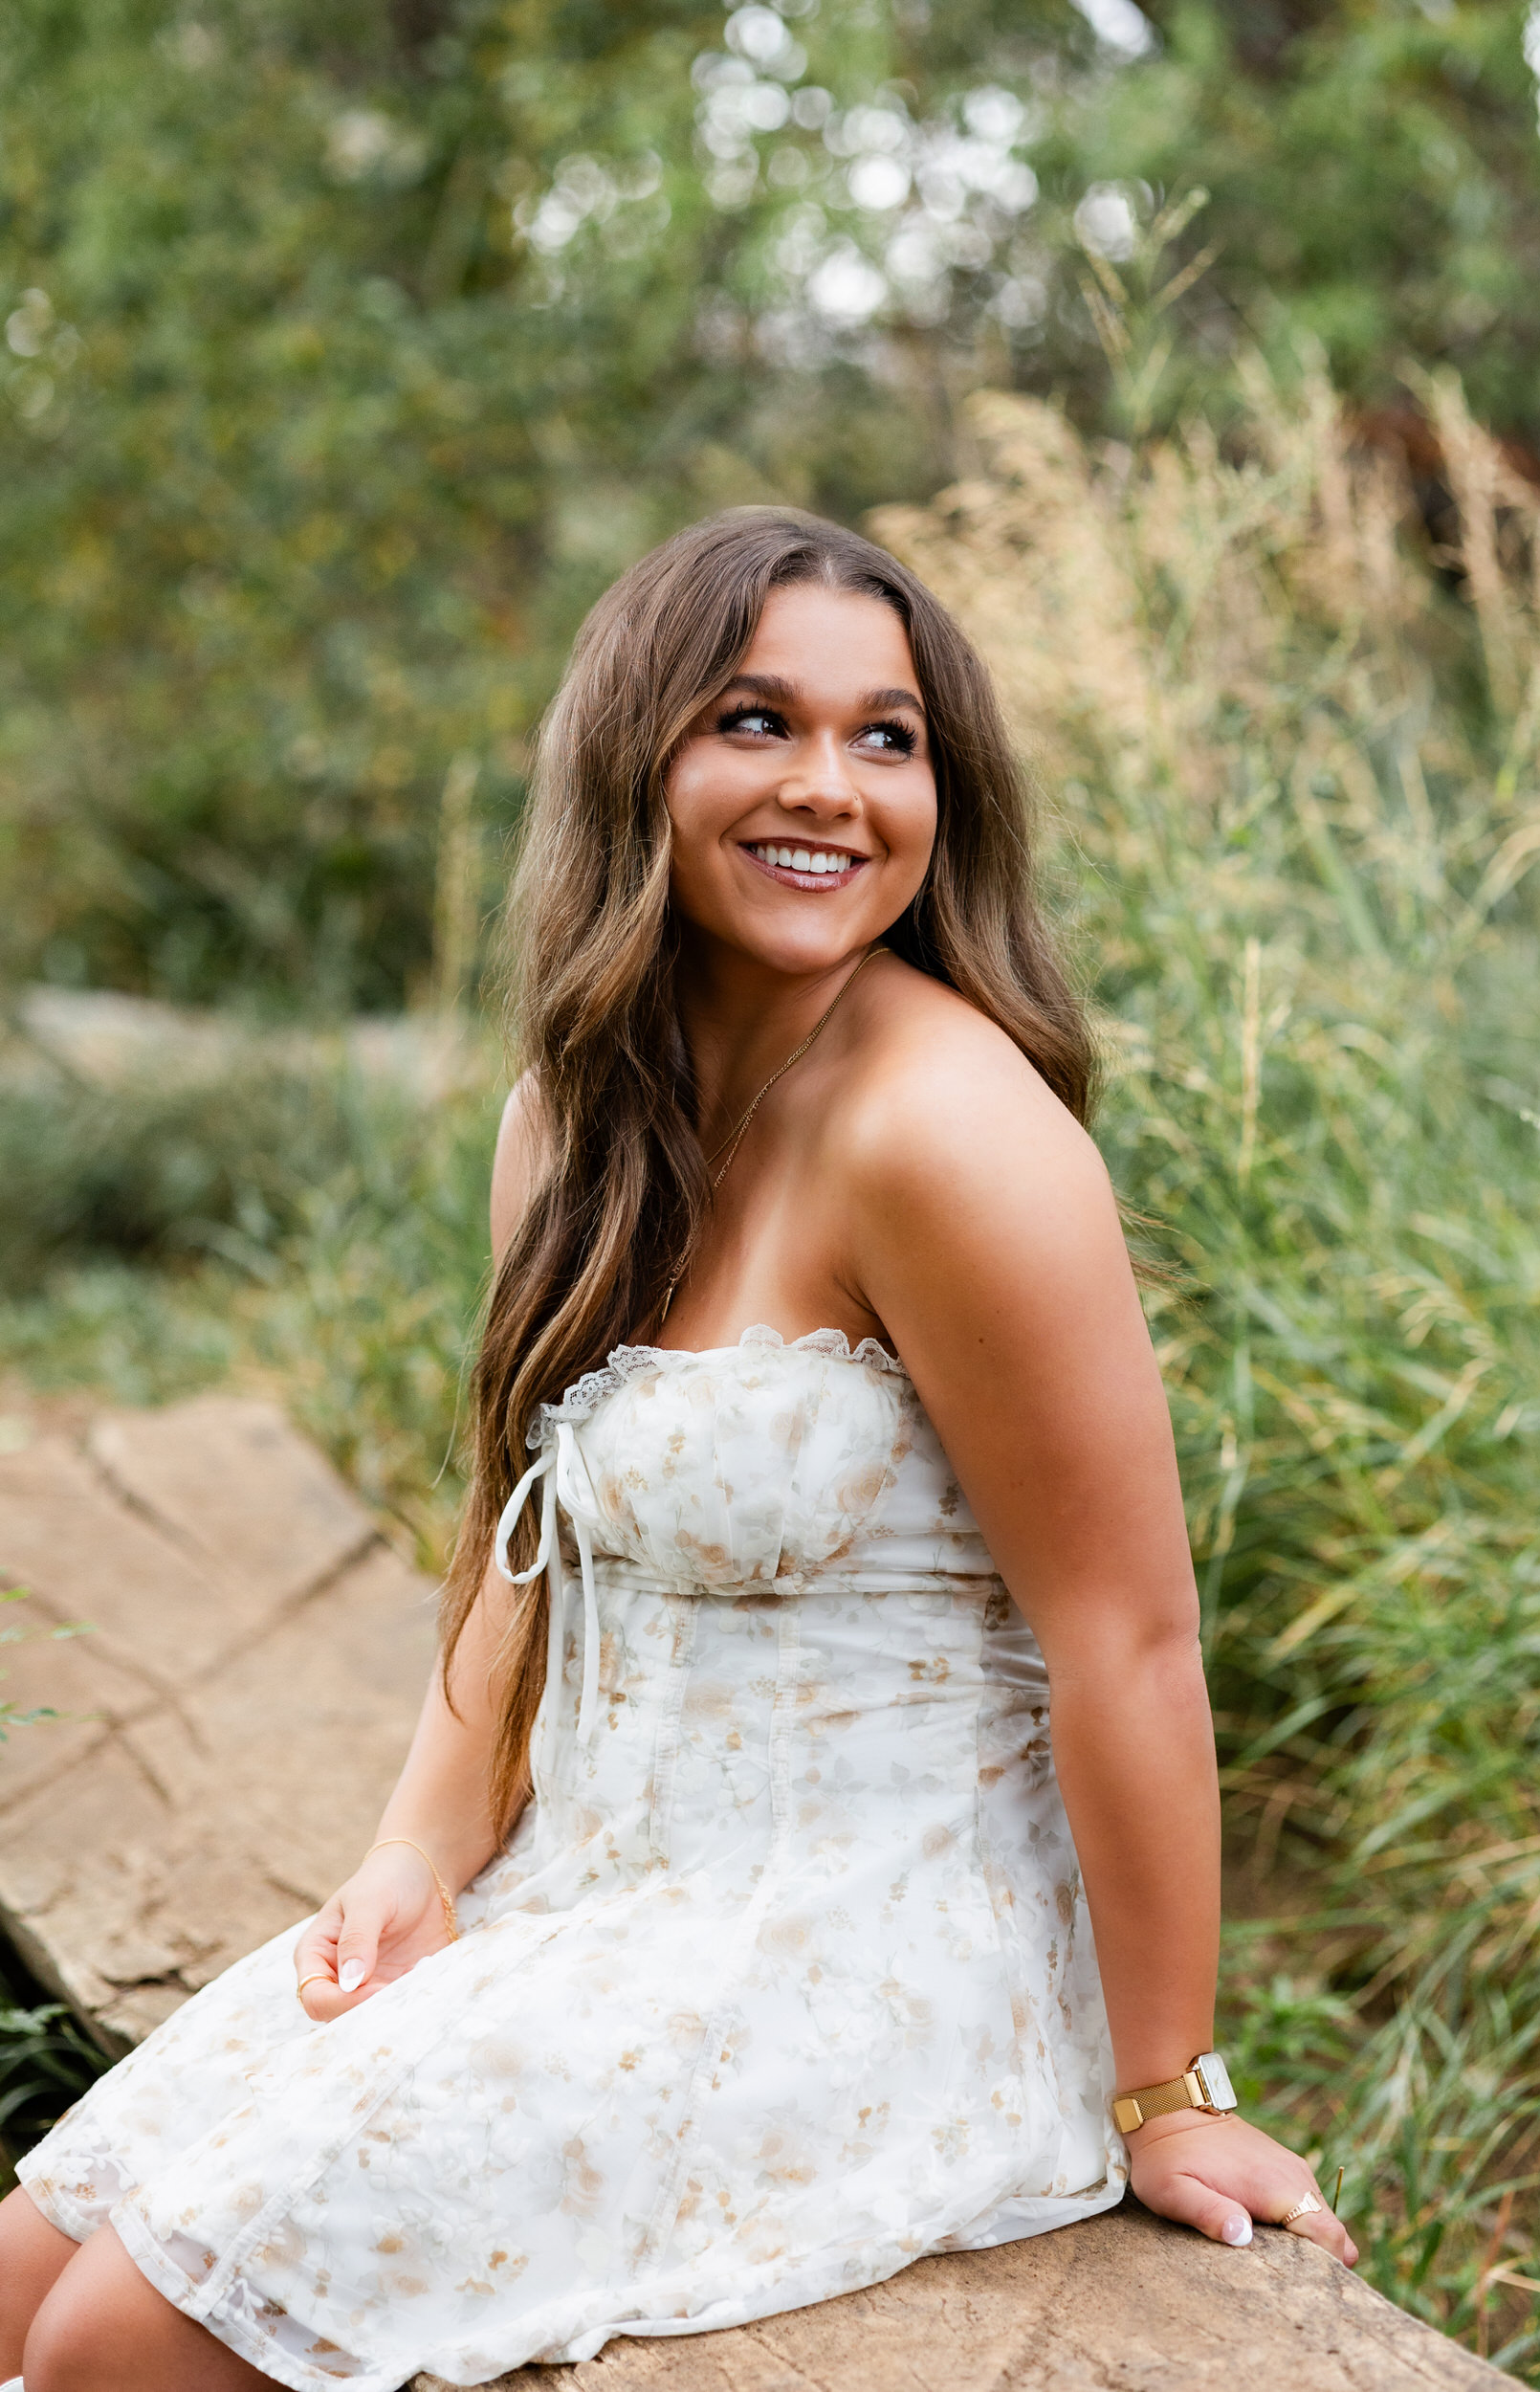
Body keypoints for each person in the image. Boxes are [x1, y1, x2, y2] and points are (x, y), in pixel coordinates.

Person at [0, 509, 1355, 2392]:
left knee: (113, 2349)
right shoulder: (565, 1117)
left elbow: (1129, 1634)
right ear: (636, 749)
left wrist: (1169, 2085)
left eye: (890, 737)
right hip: (585, 1894)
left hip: (872, 1959)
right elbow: (522, 1523)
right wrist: (418, 1845)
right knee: (17, 2285)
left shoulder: (952, 1132)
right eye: (758, 720)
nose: (833, 786)